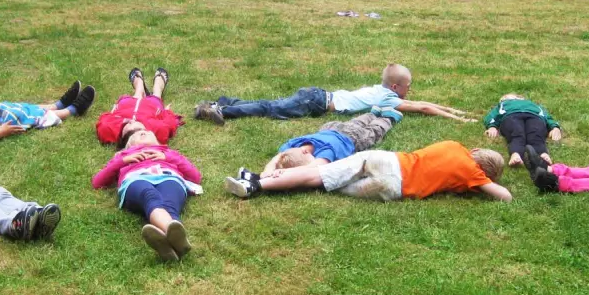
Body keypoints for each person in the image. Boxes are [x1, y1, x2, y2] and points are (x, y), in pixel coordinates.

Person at [225, 140, 511, 203]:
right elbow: (505, 197)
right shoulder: (475, 178)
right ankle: (259, 182)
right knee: (322, 184)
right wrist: (485, 183)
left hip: (387, 162)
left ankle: (257, 183)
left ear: (475, 153)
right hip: (393, 190)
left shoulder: (455, 147)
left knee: (321, 177)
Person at [194, 63, 474, 125]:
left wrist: (455, 110)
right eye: (407, 86)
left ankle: (222, 102)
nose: (409, 91)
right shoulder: (388, 98)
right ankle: (223, 110)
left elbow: (421, 103)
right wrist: (460, 121)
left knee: (270, 105)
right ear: (395, 88)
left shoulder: (383, 91)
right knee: (270, 108)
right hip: (316, 101)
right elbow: (422, 108)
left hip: (316, 96)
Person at [92, 126, 201, 263]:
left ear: (157, 141)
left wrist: (167, 157)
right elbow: (97, 182)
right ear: (129, 145)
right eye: (136, 135)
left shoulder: (169, 152)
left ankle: (168, 245)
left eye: (145, 132)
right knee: (149, 196)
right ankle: (175, 236)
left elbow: (195, 176)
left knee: (170, 204)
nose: (141, 132)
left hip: (169, 177)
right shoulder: (124, 155)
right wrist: (123, 160)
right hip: (136, 179)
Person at [238, 110, 397, 184]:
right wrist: (268, 171)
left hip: (352, 138)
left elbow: (313, 168)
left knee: (372, 132)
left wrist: (284, 172)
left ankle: (389, 117)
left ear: (306, 151)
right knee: (356, 122)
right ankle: (372, 113)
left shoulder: (326, 151)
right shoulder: (291, 145)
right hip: (329, 128)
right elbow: (277, 158)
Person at [96, 67, 182, 147]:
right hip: (151, 107)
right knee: (156, 96)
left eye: (127, 126)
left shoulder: (108, 130)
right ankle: (158, 86)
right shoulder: (157, 130)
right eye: (138, 128)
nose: (132, 121)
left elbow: (104, 120)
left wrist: (117, 116)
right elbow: (169, 124)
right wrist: (167, 112)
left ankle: (139, 86)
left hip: (126, 106)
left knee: (136, 94)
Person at [483, 93, 561, 167]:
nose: (505, 99)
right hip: (511, 116)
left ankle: (543, 154)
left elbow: (547, 116)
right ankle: (516, 154)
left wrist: (554, 127)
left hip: (534, 117)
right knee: (516, 133)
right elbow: (492, 116)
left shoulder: (534, 105)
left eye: (507, 97)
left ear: (520, 98)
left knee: (536, 134)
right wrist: (492, 126)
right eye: (503, 99)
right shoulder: (502, 105)